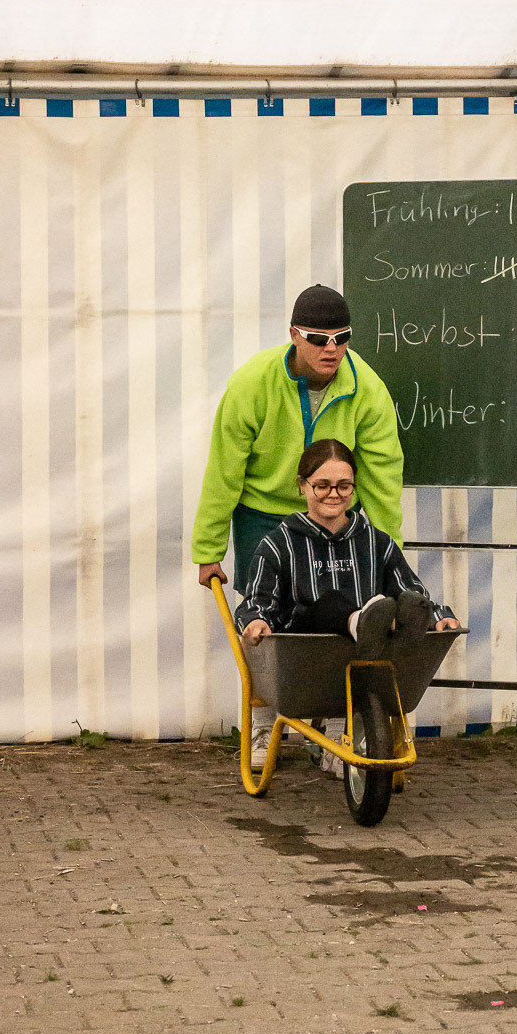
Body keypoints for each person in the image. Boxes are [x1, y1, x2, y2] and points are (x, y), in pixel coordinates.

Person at [192, 284, 405, 762]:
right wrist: (208, 550)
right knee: (265, 615)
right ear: (294, 335)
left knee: (341, 612)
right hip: (263, 511)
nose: (332, 348)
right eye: (318, 338)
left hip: (332, 511)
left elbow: (383, 474)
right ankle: (264, 722)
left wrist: (386, 550)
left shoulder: (366, 388)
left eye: (342, 337)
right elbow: (224, 470)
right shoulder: (253, 384)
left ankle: (334, 723)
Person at [235, 439, 460, 762]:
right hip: (304, 649)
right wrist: (256, 620)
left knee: (406, 601)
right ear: (302, 485)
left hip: (363, 656)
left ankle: (380, 630)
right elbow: (257, 599)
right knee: (330, 603)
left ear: (354, 487)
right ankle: (360, 622)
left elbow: (408, 586)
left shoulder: (375, 541)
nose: (334, 494)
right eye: (322, 485)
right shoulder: (279, 543)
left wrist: (437, 616)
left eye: (344, 486)